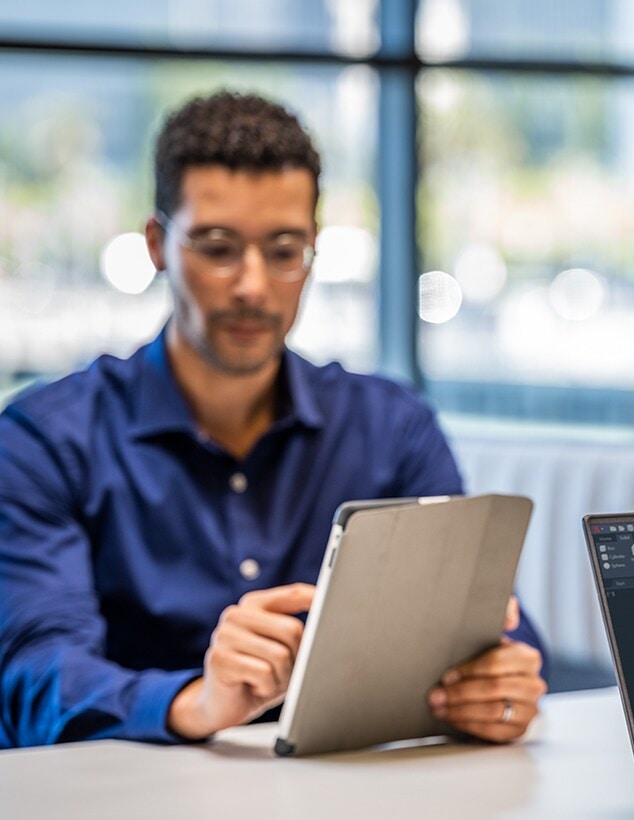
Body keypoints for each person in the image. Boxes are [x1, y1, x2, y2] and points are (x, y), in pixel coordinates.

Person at [0, 92, 547, 750]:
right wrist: (196, 702)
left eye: (285, 251)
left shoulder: (392, 427)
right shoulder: (44, 440)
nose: (252, 286)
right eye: (218, 247)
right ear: (157, 245)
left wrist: (499, 685)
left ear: (314, 249)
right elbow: (33, 677)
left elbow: (494, 632)